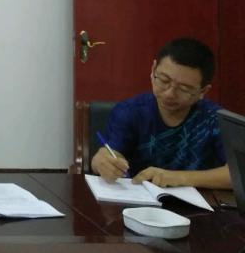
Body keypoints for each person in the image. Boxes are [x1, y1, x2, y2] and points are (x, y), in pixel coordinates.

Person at [91, 38, 231, 189]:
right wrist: (102, 162)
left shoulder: (214, 119)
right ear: (153, 70)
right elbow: (111, 154)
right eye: (164, 80)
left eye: (184, 88)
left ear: (203, 91)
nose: (169, 94)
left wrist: (180, 177)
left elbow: (238, 175)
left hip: (197, 202)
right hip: (137, 200)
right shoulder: (130, 111)